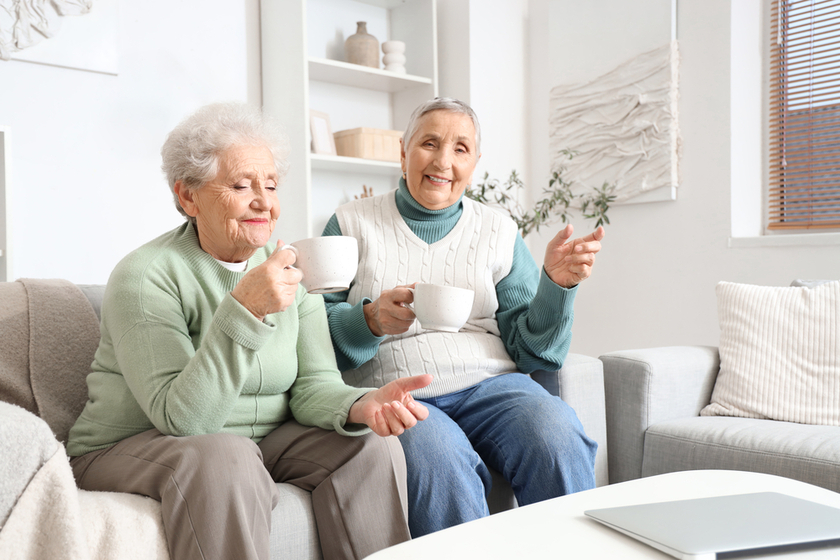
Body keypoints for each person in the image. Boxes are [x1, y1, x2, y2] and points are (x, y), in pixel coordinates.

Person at [65, 102, 432, 560]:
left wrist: (362, 404)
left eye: (271, 185)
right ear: (188, 197)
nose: (264, 201)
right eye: (241, 186)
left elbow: (314, 386)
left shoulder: (292, 268)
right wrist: (246, 309)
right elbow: (183, 421)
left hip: (259, 441)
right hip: (131, 446)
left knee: (369, 447)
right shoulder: (145, 276)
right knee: (225, 457)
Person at [321, 97, 604, 537]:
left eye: (460, 149)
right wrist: (370, 319)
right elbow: (314, 335)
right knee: (439, 460)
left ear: (474, 163)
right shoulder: (350, 223)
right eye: (429, 143)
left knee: (556, 434)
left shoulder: (499, 231)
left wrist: (555, 286)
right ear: (403, 151)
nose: (443, 162)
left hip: (493, 386)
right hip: (397, 390)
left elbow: (533, 352)